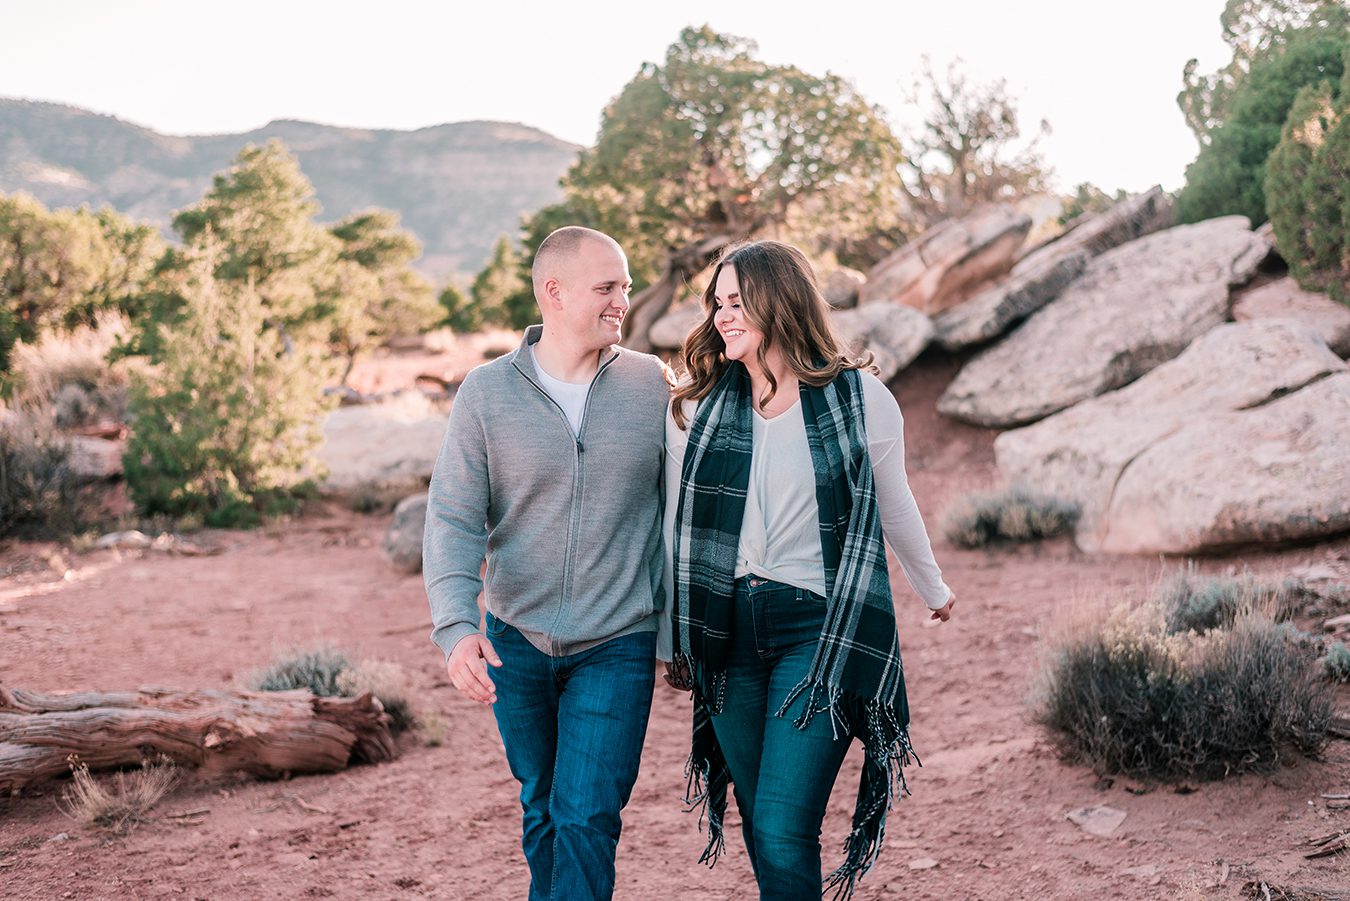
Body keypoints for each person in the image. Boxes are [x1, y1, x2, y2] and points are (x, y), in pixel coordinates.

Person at [658, 240, 956, 900]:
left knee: (784, 824)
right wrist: (669, 636)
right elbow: (675, 529)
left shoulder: (859, 399)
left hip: (816, 633)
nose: (722, 316)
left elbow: (894, 497)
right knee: (763, 825)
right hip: (726, 634)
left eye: (738, 302)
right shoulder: (700, 409)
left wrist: (932, 586)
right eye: (717, 303)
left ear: (778, 302)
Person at [424, 226, 669, 901]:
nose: (624, 299)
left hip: (617, 640)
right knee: (542, 809)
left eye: (624, 285)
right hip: (516, 641)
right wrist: (454, 628)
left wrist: (677, 632)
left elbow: (680, 514)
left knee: (587, 815)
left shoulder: (651, 384)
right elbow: (451, 517)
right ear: (553, 292)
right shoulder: (486, 393)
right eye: (608, 286)